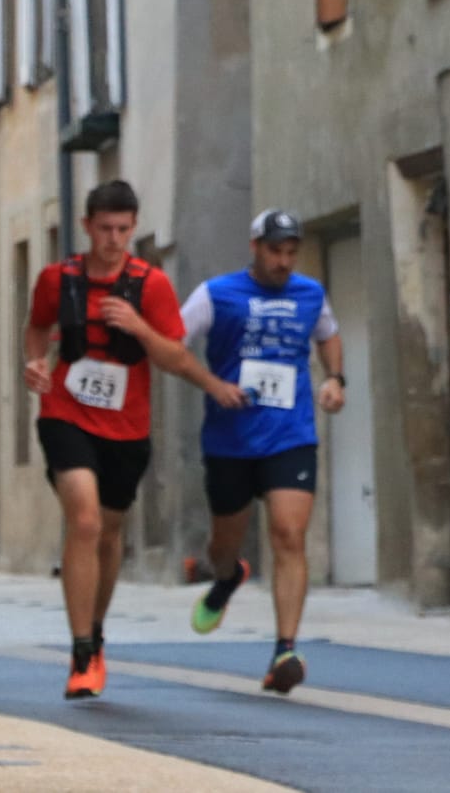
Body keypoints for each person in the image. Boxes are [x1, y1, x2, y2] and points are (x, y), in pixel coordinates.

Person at [23, 179, 249, 700]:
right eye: (105, 228)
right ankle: (81, 651)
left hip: (127, 429)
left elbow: (174, 356)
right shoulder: (57, 280)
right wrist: (35, 363)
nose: (114, 239)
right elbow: (36, 328)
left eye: (123, 229)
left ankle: (96, 633)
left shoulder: (151, 285)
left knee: (108, 534)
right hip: (65, 414)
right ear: (87, 226)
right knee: (84, 520)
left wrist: (138, 327)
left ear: (134, 227)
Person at [180, 209, 345, 696]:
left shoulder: (310, 294)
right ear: (254, 248)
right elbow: (172, 343)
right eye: (275, 251)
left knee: (289, 536)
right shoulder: (215, 294)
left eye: (291, 252)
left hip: (290, 435)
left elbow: (328, 334)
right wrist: (213, 385)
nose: (283, 261)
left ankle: (284, 650)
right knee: (223, 546)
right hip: (229, 440)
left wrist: (335, 379)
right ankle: (228, 577)